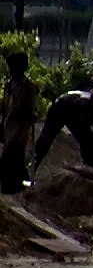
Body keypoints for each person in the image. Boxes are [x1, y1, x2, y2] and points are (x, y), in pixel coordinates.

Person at [1, 51, 40, 193]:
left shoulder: (28, 87)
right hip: (8, 129)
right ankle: (25, 187)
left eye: (13, 67)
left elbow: (28, 110)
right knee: (16, 164)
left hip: (19, 132)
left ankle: (11, 189)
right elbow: (5, 108)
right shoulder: (8, 85)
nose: (11, 70)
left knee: (7, 160)